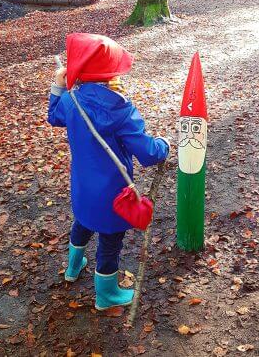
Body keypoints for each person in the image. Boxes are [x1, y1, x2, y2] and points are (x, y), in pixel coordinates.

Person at [48, 33, 169, 310]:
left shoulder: (70, 101)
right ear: (111, 75)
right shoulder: (121, 110)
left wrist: (58, 86)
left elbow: (53, 116)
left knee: (83, 222)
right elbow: (149, 153)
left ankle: (72, 268)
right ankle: (106, 295)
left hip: (82, 187)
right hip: (113, 194)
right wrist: (165, 144)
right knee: (111, 242)